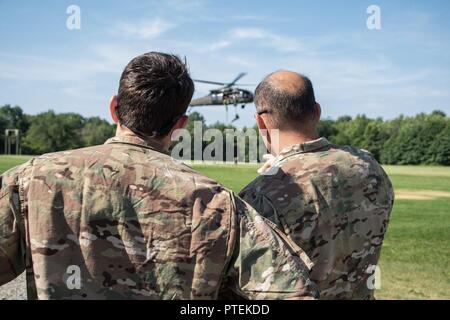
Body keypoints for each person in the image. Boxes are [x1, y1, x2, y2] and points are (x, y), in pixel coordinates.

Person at [0, 53, 318, 300]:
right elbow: (293, 290)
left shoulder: (30, 179)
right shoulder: (216, 202)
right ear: (181, 125)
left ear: (113, 108)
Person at [239, 70, 394, 300]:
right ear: (317, 111)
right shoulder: (369, 166)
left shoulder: (259, 196)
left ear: (261, 122)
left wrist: (275, 179)